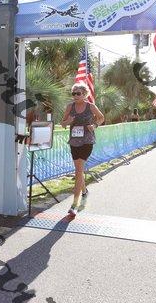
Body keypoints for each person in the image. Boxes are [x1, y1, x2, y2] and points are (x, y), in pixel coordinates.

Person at [60, 83, 104, 217]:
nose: (75, 96)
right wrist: (69, 121)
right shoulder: (70, 107)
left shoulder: (91, 106)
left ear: (84, 94)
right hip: (74, 141)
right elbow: (62, 123)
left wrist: (94, 125)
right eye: (73, 93)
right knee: (79, 170)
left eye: (78, 93)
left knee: (78, 170)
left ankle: (74, 204)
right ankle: (84, 192)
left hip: (87, 141)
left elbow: (101, 118)